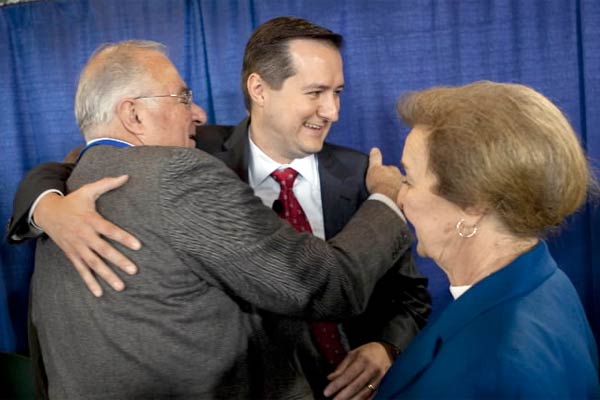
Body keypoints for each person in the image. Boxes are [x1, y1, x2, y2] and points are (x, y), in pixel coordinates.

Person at [7, 17, 430, 399]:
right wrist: (46, 206)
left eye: (337, 93)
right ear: (259, 89)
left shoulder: (361, 171)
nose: (333, 110)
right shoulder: (190, 160)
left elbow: (408, 293)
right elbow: (319, 283)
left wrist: (386, 346)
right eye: (316, 92)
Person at [375, 81, 600, 399]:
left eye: (409, 180)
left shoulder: (504, 362)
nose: (400, 196)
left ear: (473, 204)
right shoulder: (541, 280)